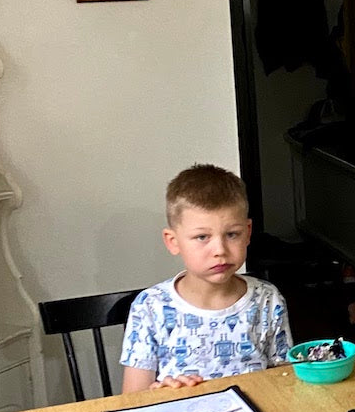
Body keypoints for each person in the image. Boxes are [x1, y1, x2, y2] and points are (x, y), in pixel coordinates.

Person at [120, 164, 291, 392]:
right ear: (173, 241)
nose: (219, 249)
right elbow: (132, 399)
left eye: (232, 234)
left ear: (248, 232)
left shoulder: (268, 300)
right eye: (202, 237)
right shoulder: (150, 307)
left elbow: (285, 380)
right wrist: (157, 395)